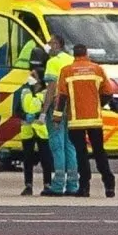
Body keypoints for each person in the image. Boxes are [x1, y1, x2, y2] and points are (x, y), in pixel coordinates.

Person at [55, 44, 116, 198]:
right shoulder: (97, 69)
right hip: (95, 120)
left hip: (76, 121)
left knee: (81, 154)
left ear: (73, 55)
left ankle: (84, 187)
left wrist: (57, 116)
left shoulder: (66, 71)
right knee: (99, 152)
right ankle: (109, 185)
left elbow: (62, 96)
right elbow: (108, 92)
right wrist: (97, 105)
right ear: (86, 53)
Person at [41, 35, 78, 197]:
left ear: (57, 44)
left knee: (57, 145)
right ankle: (72, 184)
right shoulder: (71, 60)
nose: (48, 46)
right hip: (71, 107)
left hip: (56, 106)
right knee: (70, 145)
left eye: (50, 43)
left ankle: (57, 184)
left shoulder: (52, 62)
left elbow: (51, 88)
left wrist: (44, 111)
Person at [12, 72, 53, 196]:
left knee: (46, 159)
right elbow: (16, 110)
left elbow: (49, 109)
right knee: (27, 159)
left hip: (42, 129)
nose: (30, 77)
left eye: (34, 75)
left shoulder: (46, 93)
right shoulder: (23, 91)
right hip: (27, 129)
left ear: (40, 80)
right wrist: (25, 116)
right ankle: (28, 185)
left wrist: (37, 116)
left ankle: (47, 184)